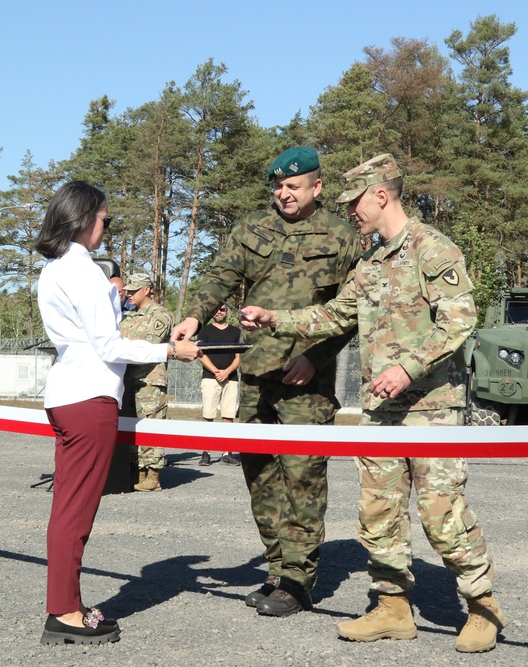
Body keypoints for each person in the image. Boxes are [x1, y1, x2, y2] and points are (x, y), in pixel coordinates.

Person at [240, 154, 505, 653]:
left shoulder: (434, 250)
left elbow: (460, 322)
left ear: (381, 195)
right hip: (380, 415)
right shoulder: (369, 263)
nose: (351, 212)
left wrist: (407, 367)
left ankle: (482, 607)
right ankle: (392, 608)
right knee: (378, 516)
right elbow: (334, 316)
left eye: (355, 201)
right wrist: (274, 317)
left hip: (430, 409)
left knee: (442, 516)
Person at [171, 146, 363, 617]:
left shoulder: (342, 237)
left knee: (302, 476)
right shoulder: (252, 229)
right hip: (255, 370)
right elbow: (221, 275)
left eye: (293, 186)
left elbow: (353, 310)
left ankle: (299, 581)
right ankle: (277, 568)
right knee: (259, 476)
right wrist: (193, 317)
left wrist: (316, 359)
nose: (283, 194)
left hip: (305, 381)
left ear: (316, 187)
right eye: (277, 186)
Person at [35, 181, 200, 646]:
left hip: (67, 394)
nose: (106, 228)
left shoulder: (53, 269)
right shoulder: (83, 271)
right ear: (85, 217)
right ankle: (64, 612)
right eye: (105, 219)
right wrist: (169, 349)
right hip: (90, 398)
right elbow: (108, 345)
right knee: (76, 513)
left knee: (67, 508)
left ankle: (66, 603)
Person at [119, 272, 173, 491]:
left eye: (133, 290)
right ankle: (137, 470)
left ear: (147, 290)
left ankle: (153, 474)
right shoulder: (128, 316)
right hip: (128, 379)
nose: (128, 294)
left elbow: (148, 344)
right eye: (128, 290)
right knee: (131, 426)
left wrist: (125, 343)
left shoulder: (161, 315)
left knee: (151, 427)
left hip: (150, 381)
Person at [196, 304, 241, 466]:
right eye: (216, 309)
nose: (219, 312)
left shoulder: (236, 332)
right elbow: (200, 354)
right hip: (210, 378)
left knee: (228, 416)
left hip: (231, 379)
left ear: (227, 311)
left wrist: (227, 372)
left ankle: (226, 452)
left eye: (222, 309)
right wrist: (216, 371)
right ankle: (205, 452)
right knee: (208, 415)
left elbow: (238, 357)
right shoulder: (205, 331)